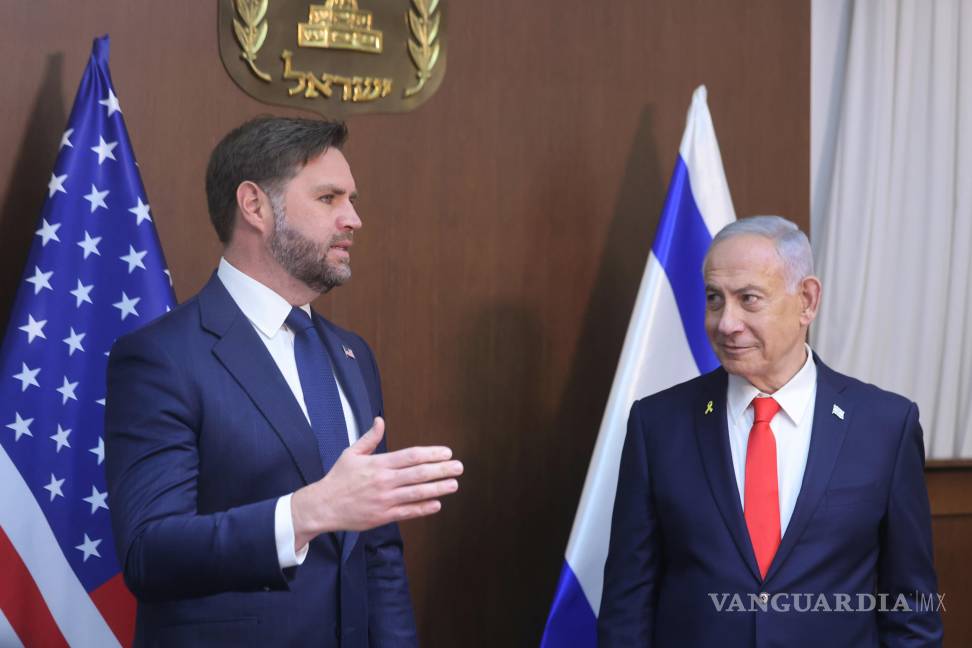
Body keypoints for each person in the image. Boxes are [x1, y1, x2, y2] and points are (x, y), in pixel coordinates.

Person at [105, 117, 463, 647]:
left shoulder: (352, 354)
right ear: (254, 206)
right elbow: (149, 552)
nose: (354, 219)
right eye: (328, 198)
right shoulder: (162, 357)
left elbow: (377, 553)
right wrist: (306, 513)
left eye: (352, 199)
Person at [598, 216, 942, 646]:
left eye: (749, 299)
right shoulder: (658, 425)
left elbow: (911, 607)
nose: (726, 323)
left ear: (807, 301)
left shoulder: (885, 426)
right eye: (714, 298)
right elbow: (627, 603)